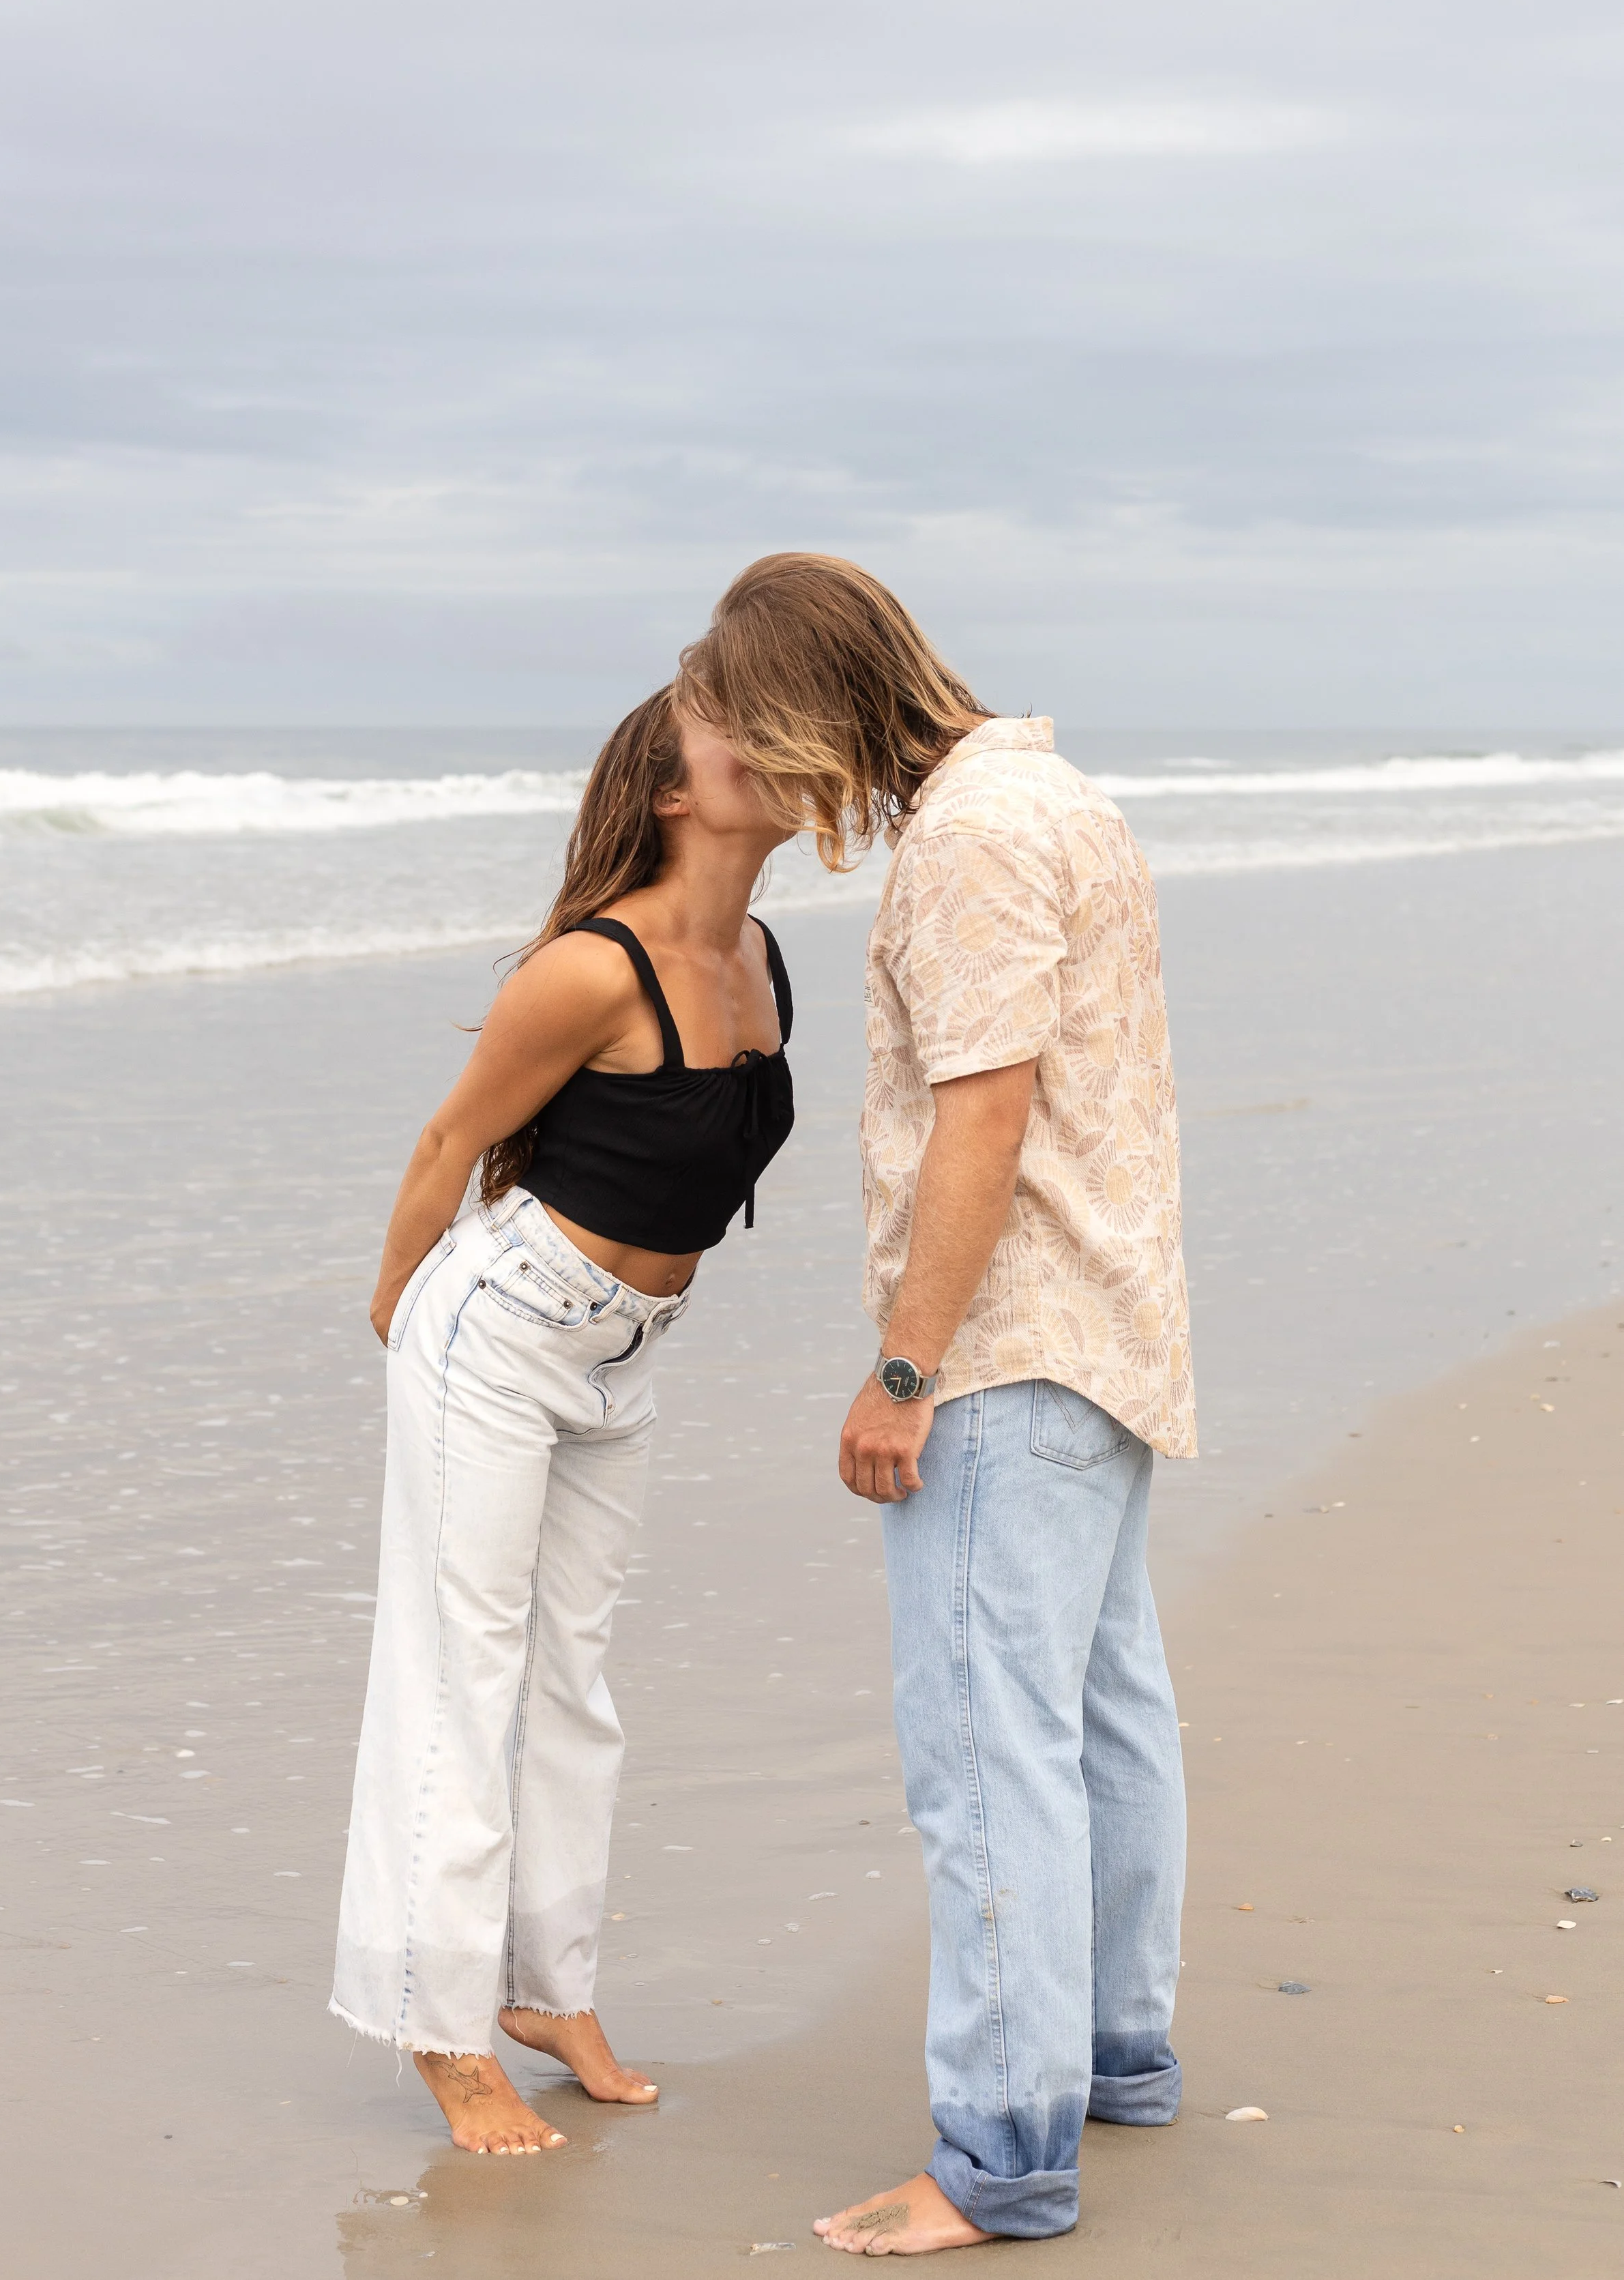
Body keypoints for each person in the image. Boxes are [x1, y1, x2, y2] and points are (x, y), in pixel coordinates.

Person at [679, 556, 1196, 2254]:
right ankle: (1111, 2060)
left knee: (983, 1760)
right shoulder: (1045, 790)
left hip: (1006, 1352)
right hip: (1108, 1331)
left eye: (765, 737)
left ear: (813, 708)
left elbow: (981, 1122)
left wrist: (901, 1372)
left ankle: (997, 2153)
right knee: (1099, 1719)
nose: (774, 778)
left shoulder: (969, 841)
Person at [329, 685, 796, 2158]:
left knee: (574, 1671)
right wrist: (404, 1314)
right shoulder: (590, 971)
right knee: (464, 1671)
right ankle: (436, 2024)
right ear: (670, 793)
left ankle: (547, 1989)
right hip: (498, 1329)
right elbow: (448, 1141)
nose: (781, 754)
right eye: (746, 738)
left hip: (624, 1349)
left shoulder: (765, 957)